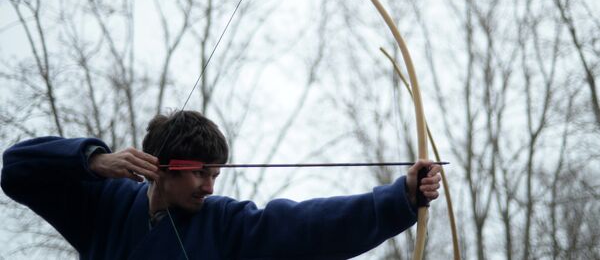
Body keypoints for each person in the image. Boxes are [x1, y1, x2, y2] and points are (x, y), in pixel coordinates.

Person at [1, 110, 441, 259]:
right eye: (200, 173)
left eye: (215, 174)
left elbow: (308, 227)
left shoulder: (224, 224)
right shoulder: (105, 206)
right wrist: (92, 160)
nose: (209, 186)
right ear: (161, 166)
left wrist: (399, 197)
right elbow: (17, 170)